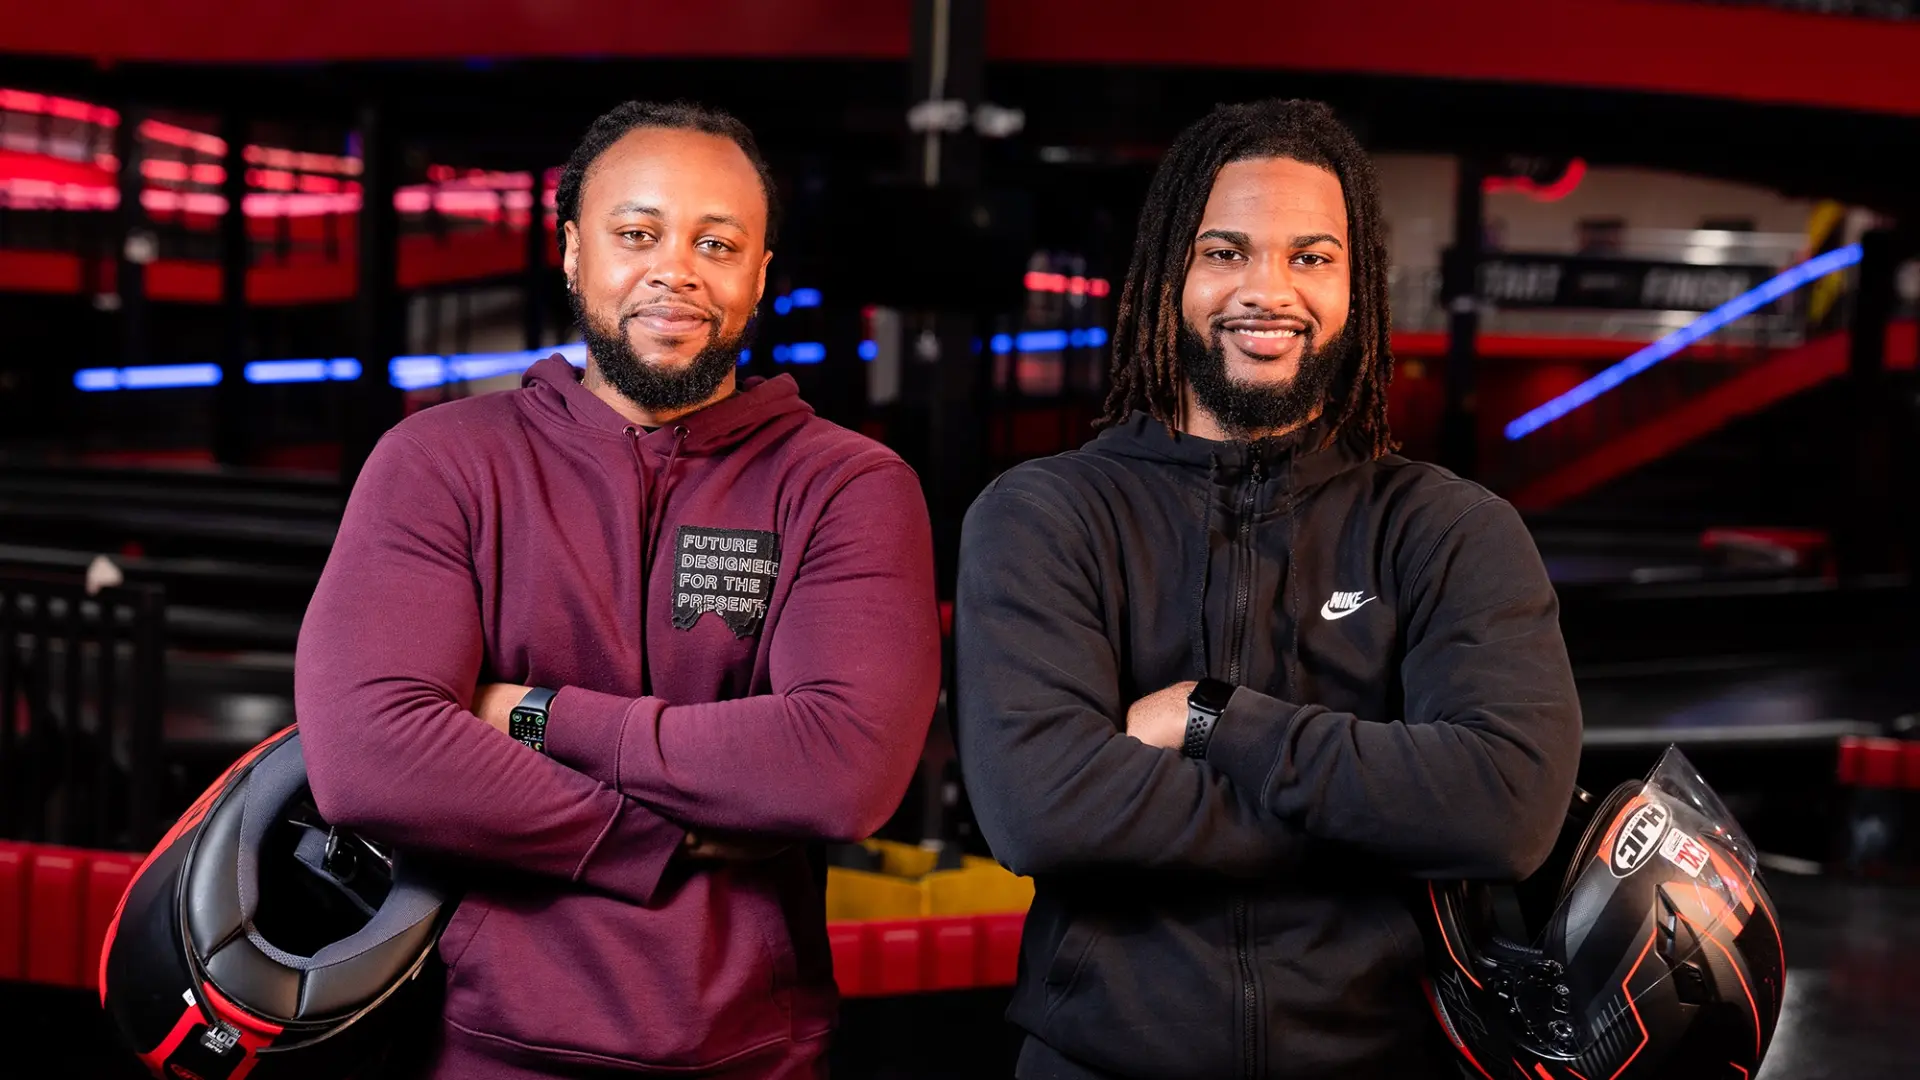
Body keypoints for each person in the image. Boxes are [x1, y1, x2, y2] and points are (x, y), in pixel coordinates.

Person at [296, 100, 941, 1079]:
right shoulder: (439, 461)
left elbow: (841, 765)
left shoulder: (847, 484)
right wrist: (655, 833)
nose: (674, 268)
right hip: (472, 1046)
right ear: (570, 252)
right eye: (636, 233)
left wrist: (538, 716)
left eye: (717, 242)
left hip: (752, 1052)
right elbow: (367, 752)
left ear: (760, 275)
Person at [953, 99, 1582, 1080]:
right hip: (1099, 1061)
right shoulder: (1045, 514)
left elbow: (1507, 807)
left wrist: (1214, 720)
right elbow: (1042, 809)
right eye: (1227, 251)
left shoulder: (1446, 528)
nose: (1267, 289)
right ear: (1172, 275)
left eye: (1312, 257)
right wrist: (1387, 816)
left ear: (1356, 286)